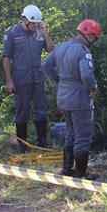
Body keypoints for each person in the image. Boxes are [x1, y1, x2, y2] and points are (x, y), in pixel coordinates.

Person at [42, 19, 101, 179]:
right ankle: (81, 174)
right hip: (79, 97)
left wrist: (60, 81)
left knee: (71, 132)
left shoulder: (60, 46)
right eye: (94, 38)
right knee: (83, 135)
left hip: (63, 96)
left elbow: (46, 66)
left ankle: (67, 170)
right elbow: (87, 75)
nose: (94, 42)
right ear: (89, 36)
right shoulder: (83, 51)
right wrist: (92, 88)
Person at [2, 5, 54, 151]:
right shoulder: (12, 33)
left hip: (38, 77)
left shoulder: (39, 32)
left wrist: (45, 33)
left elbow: (51, 49)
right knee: (22, 111)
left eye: (38, 23)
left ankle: (42, 141)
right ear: (25, 20)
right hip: (20, 79)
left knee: (41, 111)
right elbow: (6, 58)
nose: (36, 26)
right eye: (34, 23)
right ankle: (22, 144)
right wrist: (9, 80)